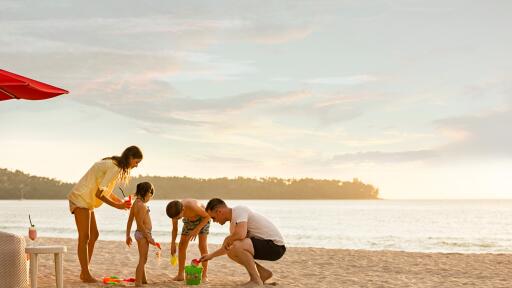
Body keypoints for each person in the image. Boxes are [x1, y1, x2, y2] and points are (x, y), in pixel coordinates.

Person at [67, 145, 143, 283]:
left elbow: (105, 190)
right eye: (136, 162)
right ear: (130, 158)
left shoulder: (114, 165)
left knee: (94, 235)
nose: (137, 165)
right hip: (81, 198)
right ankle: (85, 273)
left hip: (86, 200)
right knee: (84, 237)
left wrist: (120, 201)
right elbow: (99, 194)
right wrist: (118, 206)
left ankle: (85, 271)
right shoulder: (115, 167)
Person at [200, 198, 286, 287]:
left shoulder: (239, 210)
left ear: (219, 211)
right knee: (231, 251)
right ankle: (263, 273)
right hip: (266, 246)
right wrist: (210, 256)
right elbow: (227, 248)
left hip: (276, 246)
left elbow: (241, 235)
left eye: (213, 218)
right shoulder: (234, 224)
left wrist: (228, 239)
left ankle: (256, 280)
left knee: (237, 245)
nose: (214, 221)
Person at [166, 199, 211, 282]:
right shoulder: (174, 212)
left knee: (202, 245)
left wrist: (197, 229)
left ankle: (204, 275)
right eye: (175, 218)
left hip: (203, 219)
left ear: (183, 210)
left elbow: (208, 216)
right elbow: (175, 229)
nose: (177, 219)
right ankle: (180, 275)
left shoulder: (192, 206)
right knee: (182, 245)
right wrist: (172, 243)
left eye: (179, 217)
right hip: (189, 221)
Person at [125, 182, 156, 287]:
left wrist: (128, 235)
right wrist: (149, 237)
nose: (150, 197)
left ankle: (143, 280)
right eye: (150, 195)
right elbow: (140, 224)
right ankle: (138, 282)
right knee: (143, 259)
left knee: (143, 258)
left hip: (139, 234)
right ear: (147, 192)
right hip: (143, 234)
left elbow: (130, 221)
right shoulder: (142, 205)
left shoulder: (135, 203)